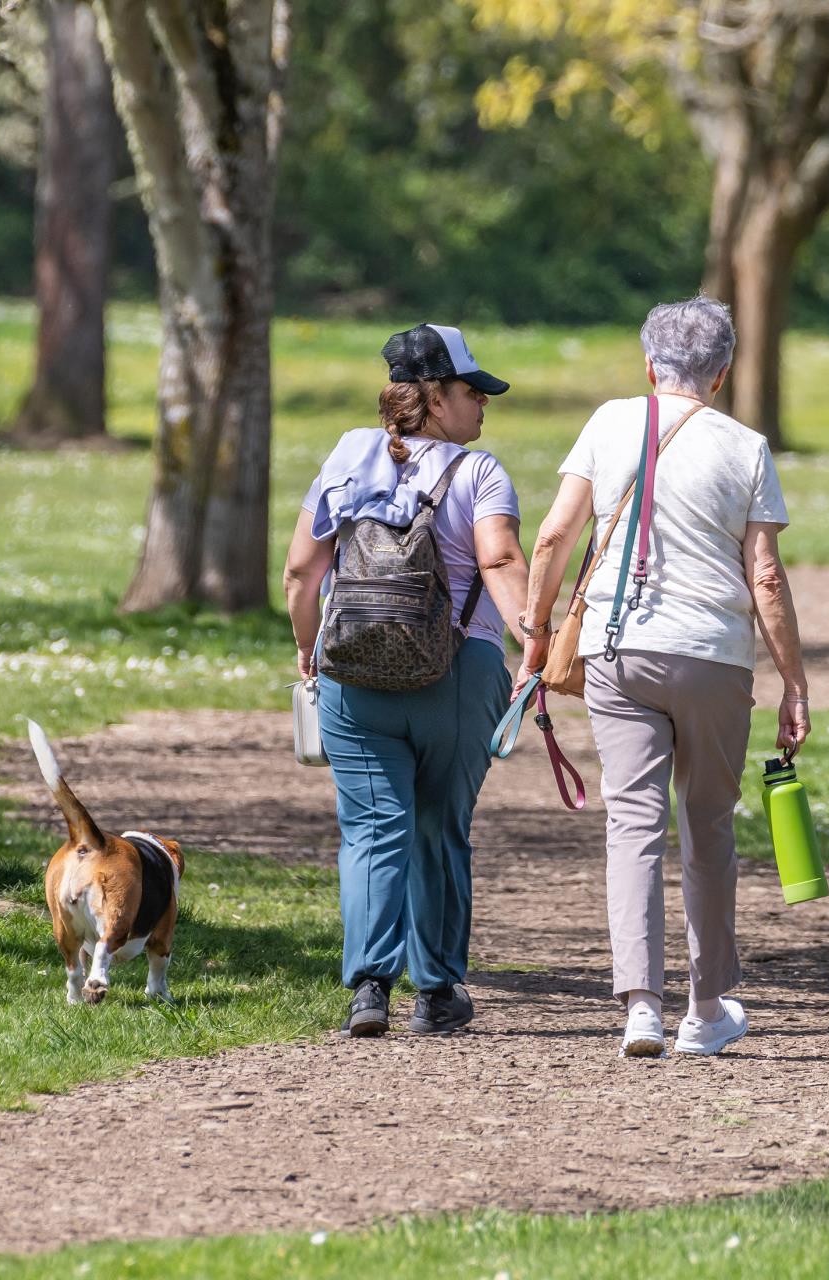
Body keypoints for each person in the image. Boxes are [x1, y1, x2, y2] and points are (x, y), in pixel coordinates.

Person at [514, 296, 810, 1058]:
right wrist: (795, 685)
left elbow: (552, 536)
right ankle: (705, 1009)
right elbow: (767, 579)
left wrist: (537, 633)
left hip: (616, 649)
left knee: (632, 824)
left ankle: (640, 1005)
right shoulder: (746, 447)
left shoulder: (610, 422)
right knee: (706, 826)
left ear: (650, 365)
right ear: (722, 374)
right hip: (712, 657)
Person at [283, 323, 535, 1039]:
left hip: (353, 676)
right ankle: (436, 992)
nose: (484, 406)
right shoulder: (479, 472)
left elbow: (302, 571)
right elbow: (500, 561)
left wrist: (309, 649)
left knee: (370, 830)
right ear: (435, 396)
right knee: (439, 829)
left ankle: (369, 989)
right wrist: (536, 644)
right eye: (472, 391)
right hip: (460, 673)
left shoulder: (345, 456)